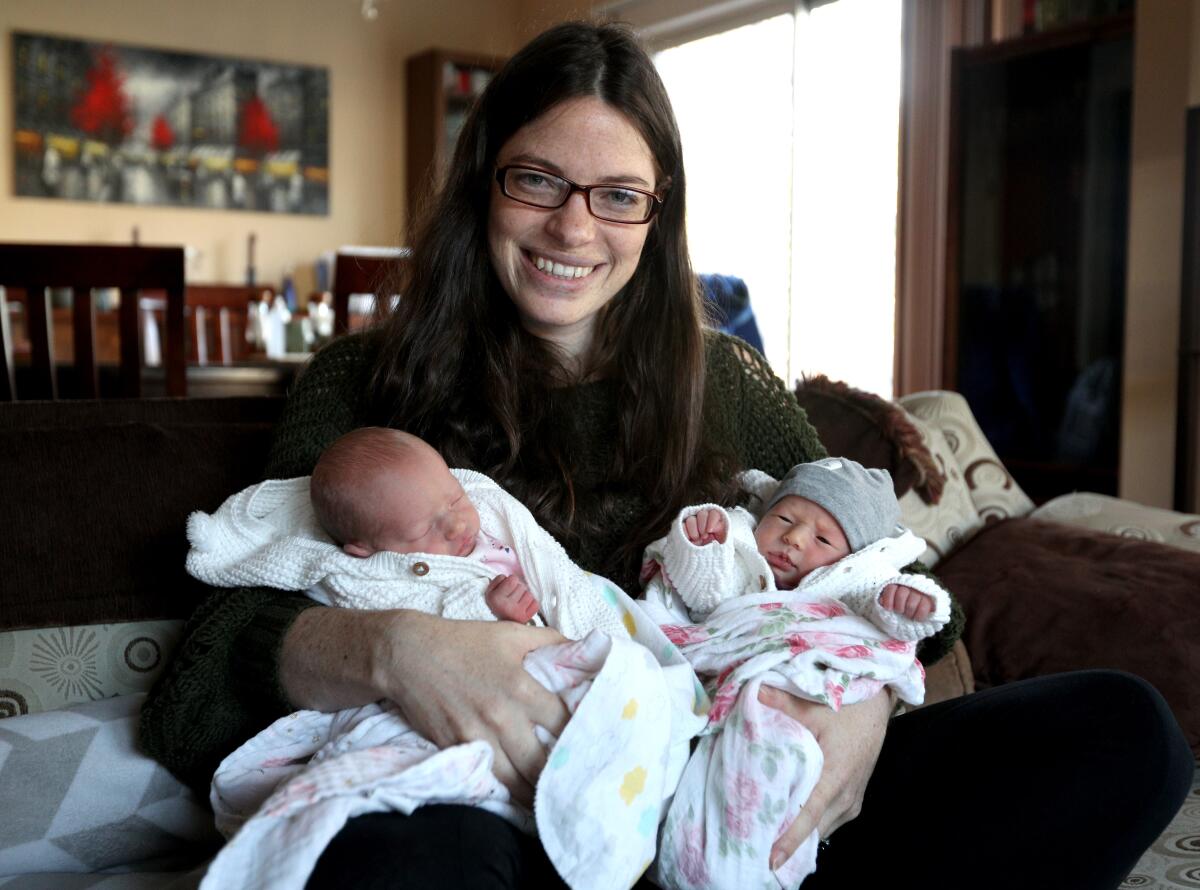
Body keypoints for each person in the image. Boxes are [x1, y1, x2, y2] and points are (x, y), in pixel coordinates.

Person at [141, 20, 1193, 890]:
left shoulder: (725, 377)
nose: (574, 226)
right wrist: (395, 646)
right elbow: (201, 672)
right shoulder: (362, 385)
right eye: (537, 179)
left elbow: (902, 577)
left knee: (1126, 732)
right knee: (396, 850)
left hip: (739, 773)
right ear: (481, 184)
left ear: (658, 212)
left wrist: (864, 701)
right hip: (517, 800)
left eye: (618, 193)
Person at [184, 426, 702, 890]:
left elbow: (563, 595)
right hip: (438, 734)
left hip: (568, 695)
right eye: (425, 530)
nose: (459, 527)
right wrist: (415, 638)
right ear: (364, 547)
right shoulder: (364, 571)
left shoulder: (492, 522)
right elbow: (222, 641)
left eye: (456, 498)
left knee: (635, 685)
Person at [641, 458, 950, 888]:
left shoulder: (852, 582)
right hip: (715, 677)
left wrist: (907, 604)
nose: (794, 537)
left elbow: (889, 616)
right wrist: (704, 547)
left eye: (822, 537)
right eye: (784, 518)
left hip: (802, 701)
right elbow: (700, 594)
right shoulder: (742, 548)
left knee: (785, 758)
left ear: (851, 558)